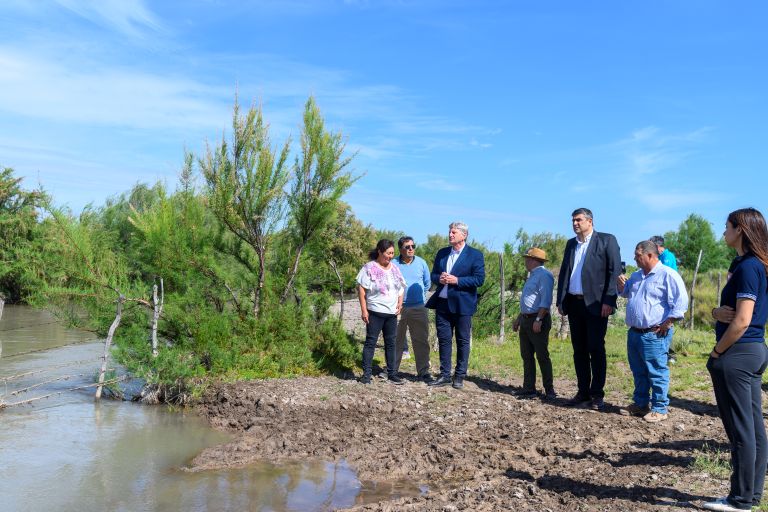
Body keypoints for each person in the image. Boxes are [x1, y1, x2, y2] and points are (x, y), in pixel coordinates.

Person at [703, 208, 768, 512]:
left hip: (739, 354)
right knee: (753, 427)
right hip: (752, 352)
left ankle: (740, 500)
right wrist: (716, 312)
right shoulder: (747, 264)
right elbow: (730, 310)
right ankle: (750, 496)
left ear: (740, 229)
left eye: (726, 227)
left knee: (742, 430)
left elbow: (742, 321)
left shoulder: (749, 267)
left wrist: (717, 352)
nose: (723, 232)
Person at [556, 208, 621, 411]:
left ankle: (597, 394)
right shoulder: (571, 244)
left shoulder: (606, 240)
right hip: (574, 303)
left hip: (596, 304)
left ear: (590, 221)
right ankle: (582, 391)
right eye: (573, 220)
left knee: (596, 347)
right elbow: (565, 272)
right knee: (579, 350)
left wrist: (609, 300)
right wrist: (561, 299)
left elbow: (614, 271)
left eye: (578, 220)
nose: (575, 223)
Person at [617, 241, 688, 423]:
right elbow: (625, 294)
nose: (635, 258)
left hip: (654, 332)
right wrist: (620, 285)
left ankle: (659, 408)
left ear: (650, 255)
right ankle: (640, 404)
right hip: (635, 332)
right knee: (638, 370)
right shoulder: (636, 275)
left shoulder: (668, 275)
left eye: (638, 255)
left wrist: (668, 322)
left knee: (656, 371)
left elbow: (680, 304)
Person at [425, 221, 485, 389]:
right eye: (449, 232)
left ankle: (459, 375)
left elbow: (479, 279)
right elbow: (434, 275)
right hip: (442, 303)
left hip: (463, 304)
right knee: (444, 340)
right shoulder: (442, 253)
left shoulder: (475, 255)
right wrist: (440, 279)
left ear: (464, 235)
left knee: (462, 340)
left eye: (453, 232)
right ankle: (444, 375)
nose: (450, 235)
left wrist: (457, 280)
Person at [356, 239, 407, 385]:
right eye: (388, 253)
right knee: (370, 342)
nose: (390, 256)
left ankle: (392, 373)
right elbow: (361, 289)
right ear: (380, 251)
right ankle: (366, 374)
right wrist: (364, 310)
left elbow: (401, 287)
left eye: (392, 253)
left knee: (391, 343)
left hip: (391, 314)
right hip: (374, 312)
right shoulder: (369, 267)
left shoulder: (395, 268)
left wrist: (400, 302)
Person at [513, 247, 556, 399]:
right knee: (526, 355)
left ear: (534, 260)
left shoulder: (544, 276)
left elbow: (546, 300)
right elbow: (529, 301)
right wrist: (519, 318)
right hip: (526, 319)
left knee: (542, 355)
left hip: (537, 319)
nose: (525, 261)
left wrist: (539, 319)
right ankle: (529, 387)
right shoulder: (532, 276)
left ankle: (549, 389)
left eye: (527, 258)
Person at [392, 236, 433, 383]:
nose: (411, 249)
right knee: (395, 340)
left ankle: (423, 371)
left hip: (418, 307)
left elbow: (427, 284)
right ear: (400, 249)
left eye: (413, 246)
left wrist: (420, 297)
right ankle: (392, 370)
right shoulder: (393, 263)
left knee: (421, 340)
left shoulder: (422, 263)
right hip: (398, 308)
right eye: (407, 247)